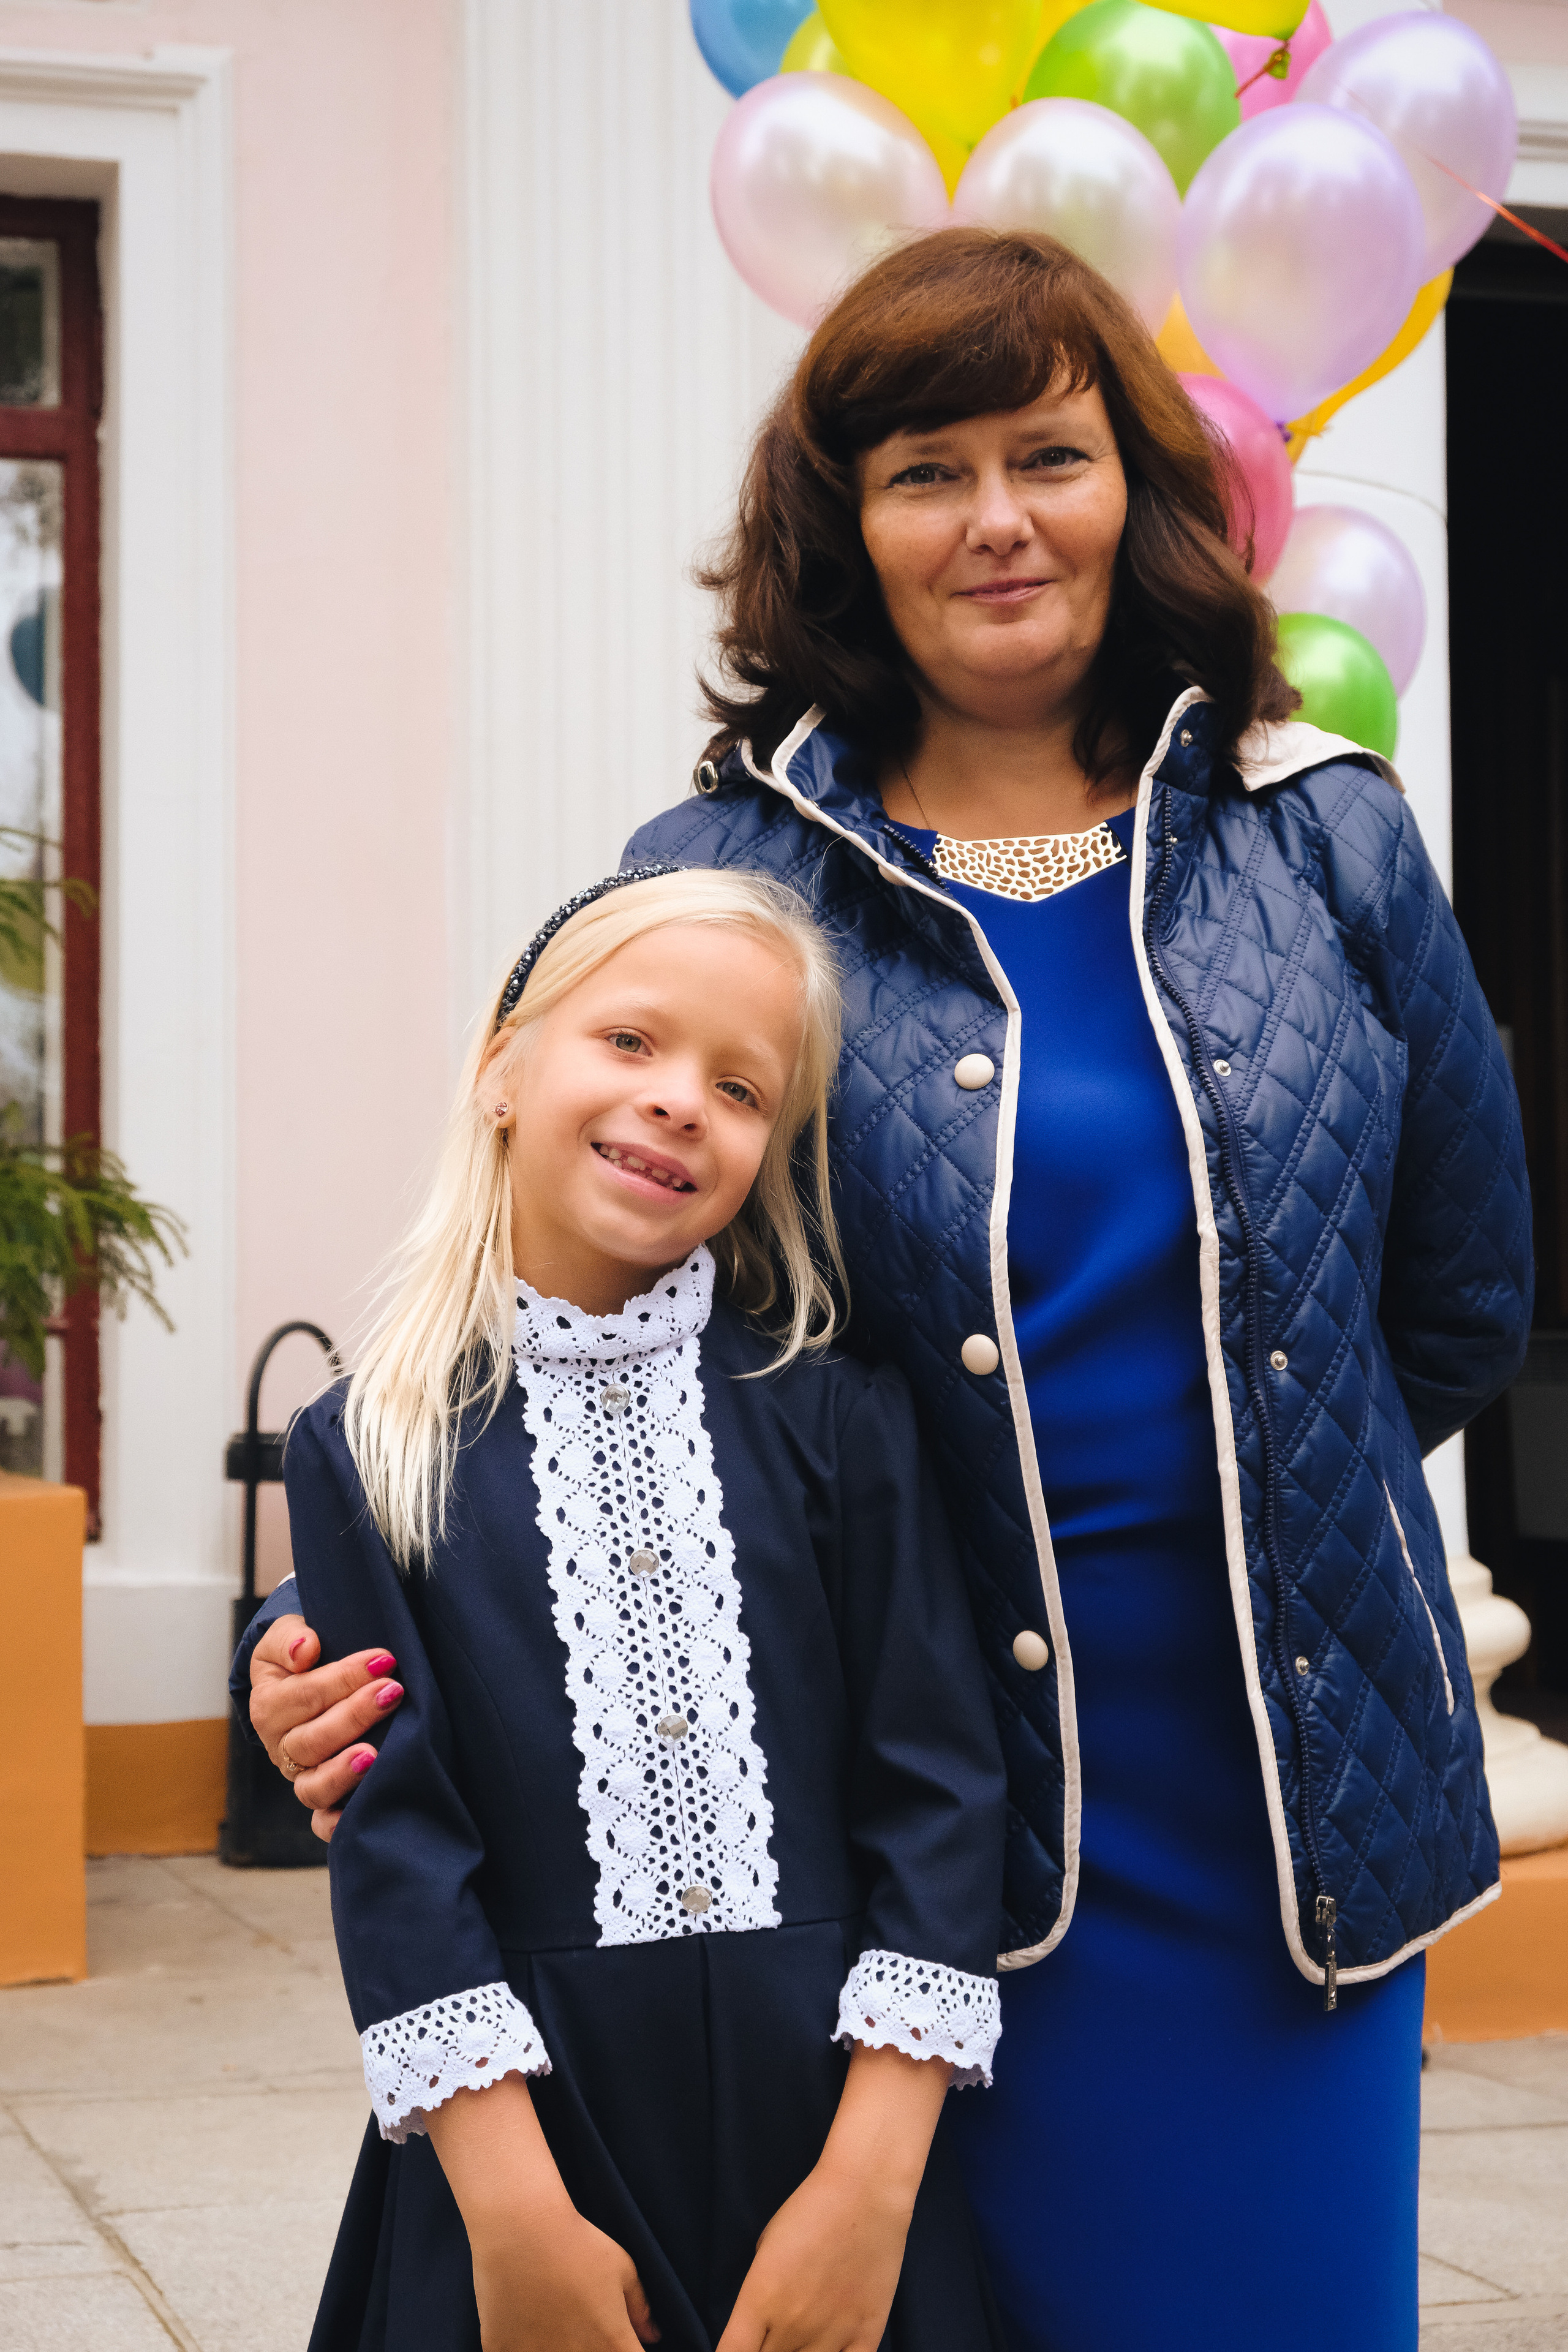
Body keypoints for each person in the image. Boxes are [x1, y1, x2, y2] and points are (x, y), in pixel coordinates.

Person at [242, 231, 1532, 2352]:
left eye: (1054, 452)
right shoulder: (724, 879)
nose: (1002, 518)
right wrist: (354, 1632)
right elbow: (558, 1326)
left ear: (1142, 488)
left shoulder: (1329, 844)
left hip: (1287, 1819)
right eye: (930, 468)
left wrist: (1266, 1511)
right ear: (844, 522)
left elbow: (1460, 1303)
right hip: (894, 1840)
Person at [275, 863, 1009, 2352]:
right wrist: (510, 2210)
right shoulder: (363, 1450)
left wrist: (870, 2181)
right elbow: (399, 1842)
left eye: (740, 1088)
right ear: (500, 1071)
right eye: (630, 1043)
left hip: (827, 2112)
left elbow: (940, 1787)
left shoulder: (841, 1421)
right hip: (531, 2134)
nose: (680, 1100)